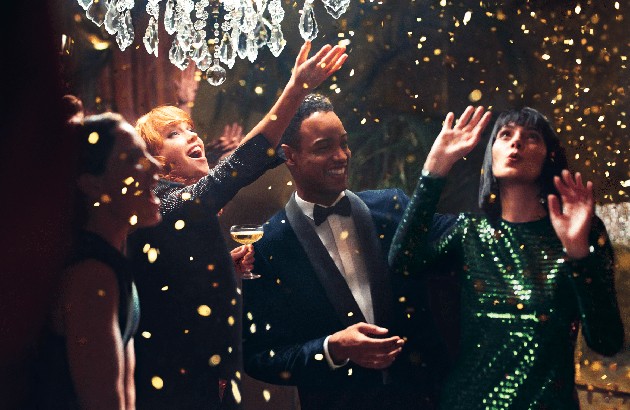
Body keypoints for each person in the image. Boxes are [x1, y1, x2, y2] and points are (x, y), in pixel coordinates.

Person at [127, 42, 347, 409]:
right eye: (174, 134)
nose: (193, 136)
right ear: (156, 162)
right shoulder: (161, 204)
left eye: (190, 129)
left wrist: (221, 268)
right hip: (170, 385)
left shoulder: (178, 206)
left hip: (203, 374)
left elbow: (173, 284)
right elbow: (237, 168)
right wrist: (296, 89)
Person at [388, 106, 624, 409]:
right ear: (491, 153)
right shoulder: (469, 232)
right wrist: (435, 167)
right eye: (505, 134)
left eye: (532, 137)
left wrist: (578, 253)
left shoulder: (580, 232)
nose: (517, 142)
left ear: (549, 156)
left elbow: (607, 342)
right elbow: (403, 261)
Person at [242, 94, 449, 410]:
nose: (341, 156)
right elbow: (259, 357)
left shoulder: (394, 207)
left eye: (344, 144)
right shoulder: (267, 245)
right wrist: (331, 349)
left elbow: (464, 236)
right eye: (323, 147)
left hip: (422, 399)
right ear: (290, 156)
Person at [31, 113, 162, 409]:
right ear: (92, 184)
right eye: (133, 158)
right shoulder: (91, 275)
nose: (154, 166)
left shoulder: (109, 261)